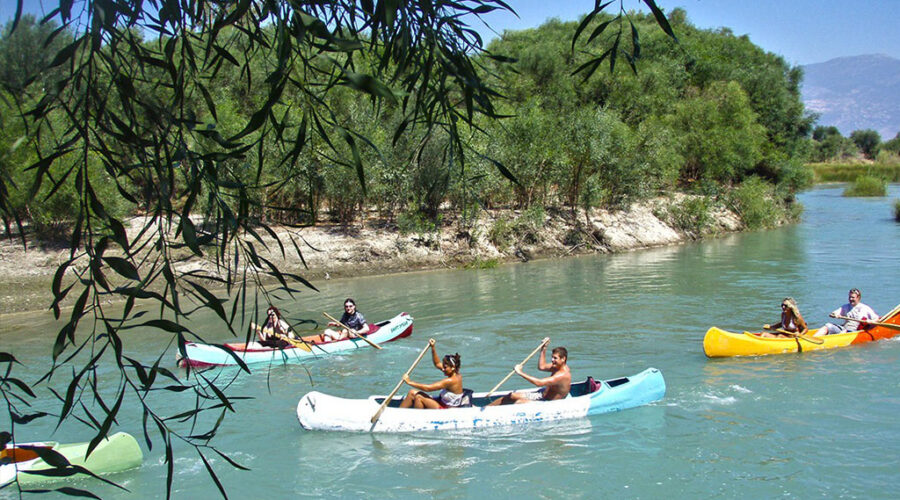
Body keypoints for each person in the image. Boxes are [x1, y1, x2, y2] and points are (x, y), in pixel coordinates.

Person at [488, 339, 571, 405]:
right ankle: (486, 409)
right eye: (552, 357)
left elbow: (539, 383)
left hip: (548, 403)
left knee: (518, 403)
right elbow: (541, 367)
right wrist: (544, 349)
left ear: (563, 359)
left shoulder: (562, 375)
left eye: (555, 358)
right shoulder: (557, 366)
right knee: (511, 395)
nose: (552, 360)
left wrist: (520, 373)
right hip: (542, 396)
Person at [398, 339, 465, 409]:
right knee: (412, 392)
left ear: (453, 367)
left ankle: (418, 418)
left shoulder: (451, 380)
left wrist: (409, 382)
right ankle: (398, 413)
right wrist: (433, 348)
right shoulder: (456, 373)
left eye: (445, 367)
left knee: (419, 397)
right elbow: (437, 364)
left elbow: (428, 388)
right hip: (441, 402)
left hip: (446, 410)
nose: (443, 369)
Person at [303, 298, 371, 343]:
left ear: (354, 306)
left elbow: (366, 328)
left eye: (350, 306)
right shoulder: (345, 314)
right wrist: (335, 324)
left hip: (355, 335)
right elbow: (340, 324)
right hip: (345, 335)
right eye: (346, 306)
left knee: (345, 330)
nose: (348, 308)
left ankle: (337, 343)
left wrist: (357, 332)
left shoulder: (358, 316)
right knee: (327, 331)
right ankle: (328, 345)